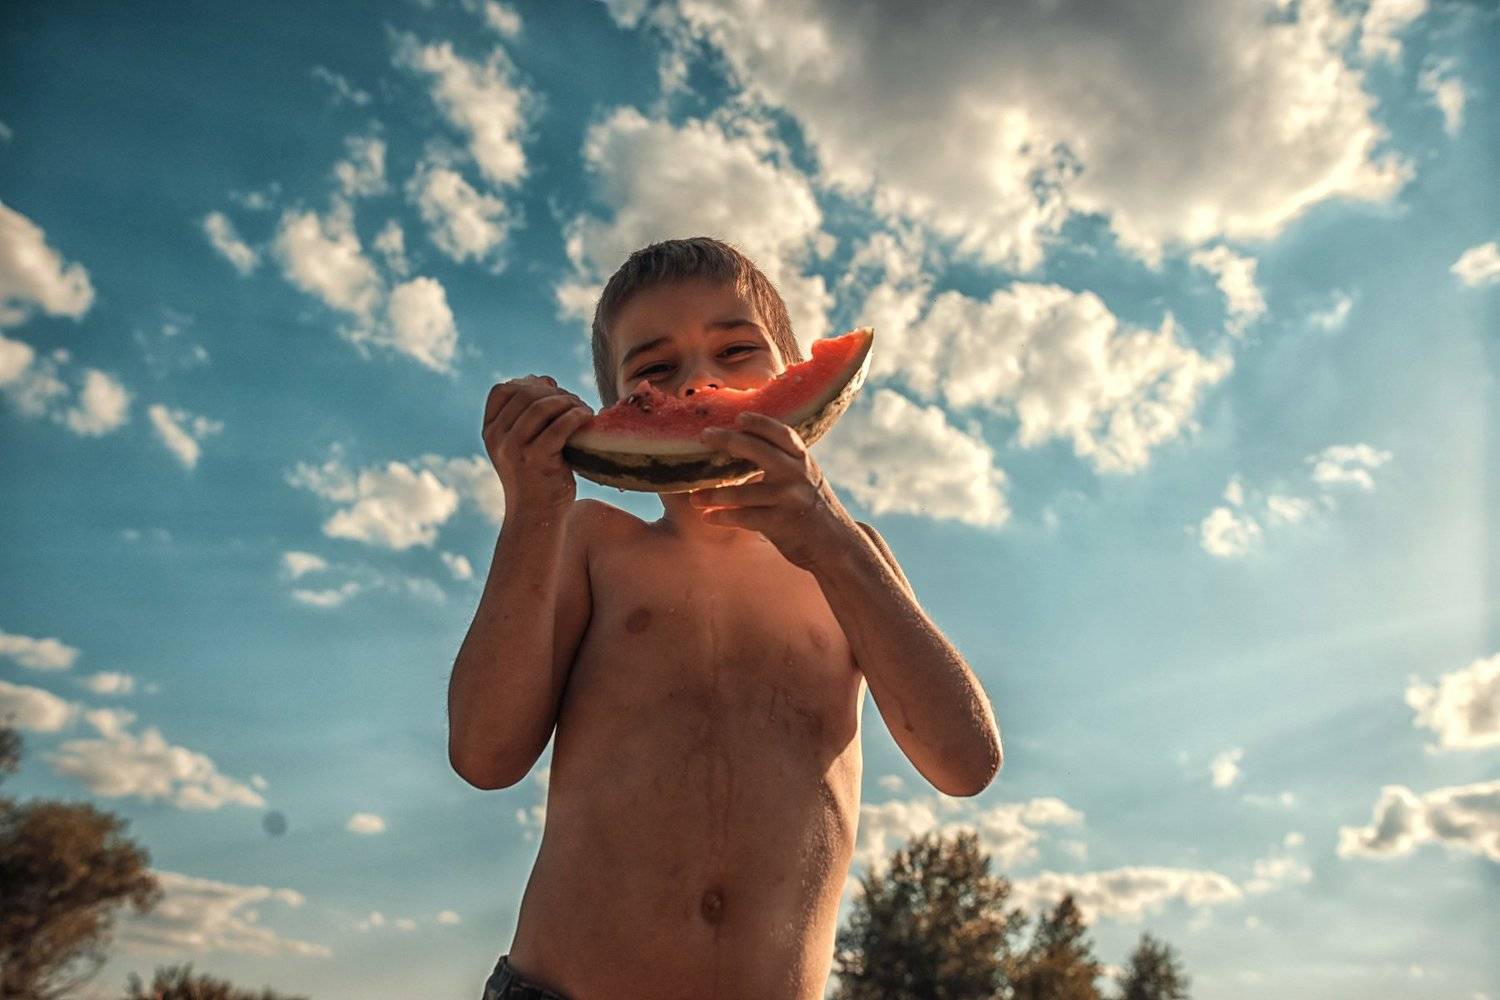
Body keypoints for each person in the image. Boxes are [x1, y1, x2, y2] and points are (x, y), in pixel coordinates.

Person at [451, 237, 1003, 999]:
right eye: (654, 372)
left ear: (792, 374)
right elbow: (484, 757)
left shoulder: (851, 560)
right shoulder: (593, 544)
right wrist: (532, 512)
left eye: (736, 350)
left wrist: (836, 544)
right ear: (618, 409)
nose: (698, 383)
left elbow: (965, 764)